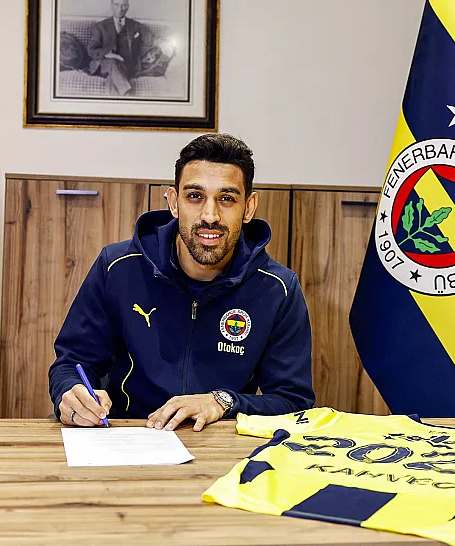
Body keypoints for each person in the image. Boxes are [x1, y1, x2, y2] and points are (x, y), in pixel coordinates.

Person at [49, 134, 315, 431]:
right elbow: (72, 363)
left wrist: (223, 402)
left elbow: (293, 401)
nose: (210, 216)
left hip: (220, 442)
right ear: (174, 202)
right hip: (127, 434)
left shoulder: (278, 289)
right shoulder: (117, 266)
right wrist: (70, 393)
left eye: (227, 199)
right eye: (195, 196)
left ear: (249, 208)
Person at [86, 0, 153, 96]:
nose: (120, 9)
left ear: (128, 7)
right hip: (105, 64)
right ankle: (128, 94)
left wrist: (162, 42)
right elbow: (91, 49)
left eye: (124, 5)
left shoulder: (135, 25)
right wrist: (108, 54)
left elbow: (150, 38)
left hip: (127, 65)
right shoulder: (100, 26)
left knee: (113, 80)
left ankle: (118, 101)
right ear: (111, 5)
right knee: (113, 62)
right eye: (117, 5)